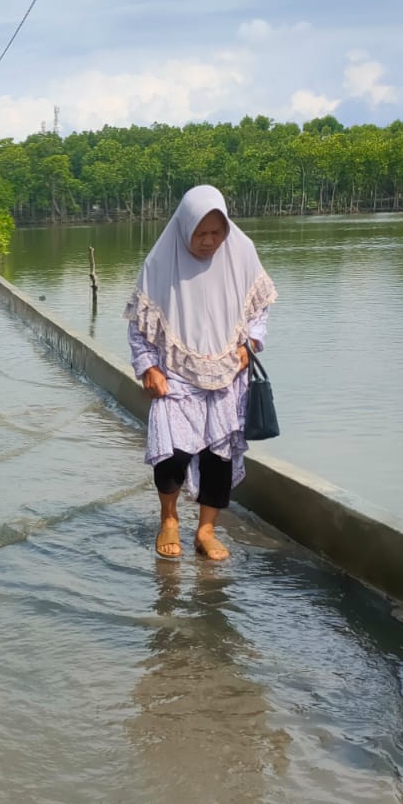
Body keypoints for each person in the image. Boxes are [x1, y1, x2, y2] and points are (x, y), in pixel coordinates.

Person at [125, 186, 276, 561]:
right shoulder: (160, 263)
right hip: (177, 372)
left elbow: (260, 311)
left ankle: (206, 530)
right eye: (201, 233)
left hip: (228, 374)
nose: (209, 242)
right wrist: (149, 366)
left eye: (216, 232)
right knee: (172, 454)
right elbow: (139, 326)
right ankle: (170, 520)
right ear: (184, 227)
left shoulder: (242, 253)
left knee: (218, 459)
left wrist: (250, 344)